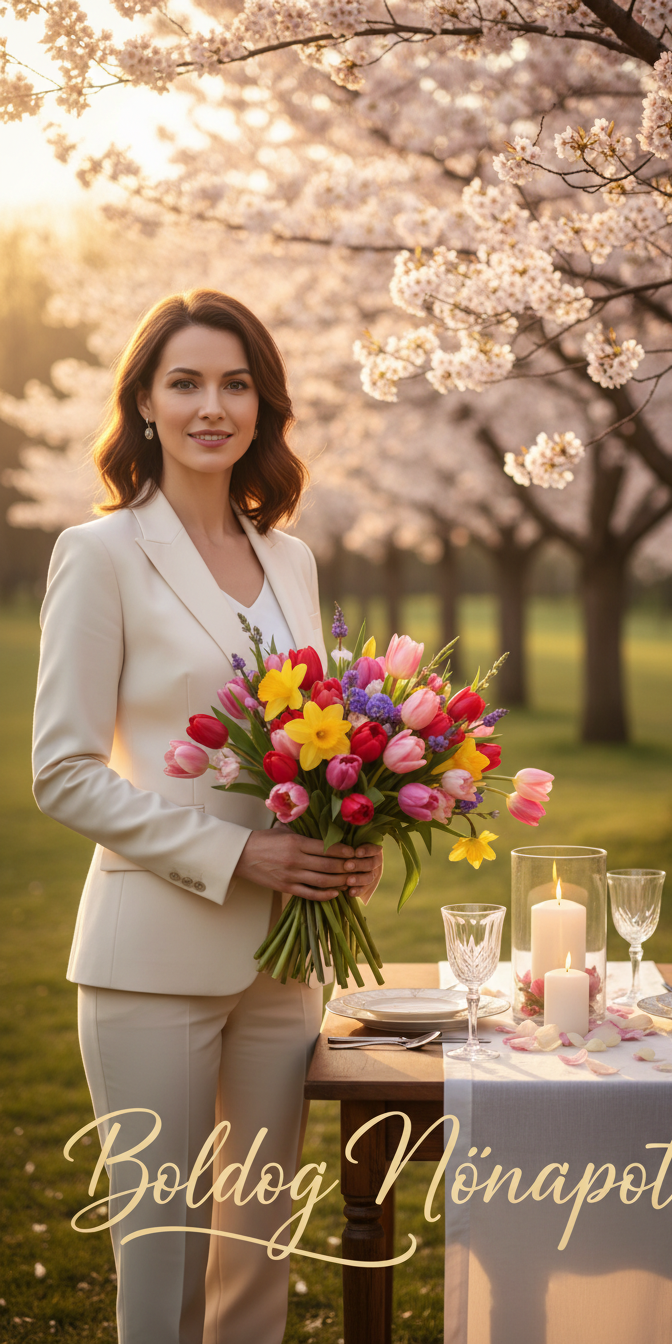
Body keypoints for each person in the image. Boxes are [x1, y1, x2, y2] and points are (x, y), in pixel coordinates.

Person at [31, 289, 383, 1344]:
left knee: (259, 1262)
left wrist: (347, 832)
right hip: (151, 963)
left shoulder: (293, 559)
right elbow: (64, 772)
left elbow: (308, 738)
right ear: (143, 403)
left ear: (263, 406)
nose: (210, 406)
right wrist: (240, 854)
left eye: (235, 383)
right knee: (164, 1267)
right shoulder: (98, 555)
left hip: (287, 965)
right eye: (184, 382)